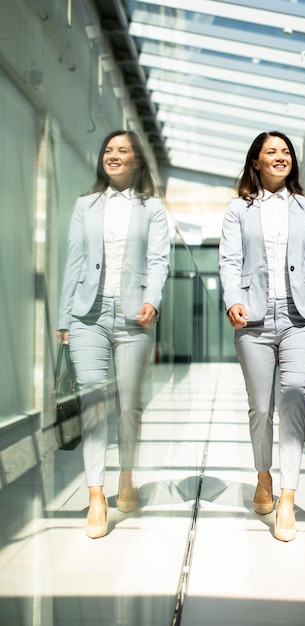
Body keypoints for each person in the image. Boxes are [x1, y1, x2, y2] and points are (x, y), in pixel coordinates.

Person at [219, 131, 305, 542]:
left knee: (293, 398)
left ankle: (286, 497)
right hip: (252, 319)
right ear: (256, 161)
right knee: (259, 406)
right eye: (272, 152)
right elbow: (230, 260)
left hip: (301, 317)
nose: (281, 157)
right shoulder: (238, 210)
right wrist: (232, 298)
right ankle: (263, 476)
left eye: (286, 152)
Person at [56, 130, 170, 539]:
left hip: (134, 315)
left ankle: (126, 474)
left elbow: (159, 260)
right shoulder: (85, 205)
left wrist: (153, 300)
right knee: (92, 400)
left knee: (128, 405)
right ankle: (95, 495)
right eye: (109, 150)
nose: (114, 155)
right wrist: (64, 319)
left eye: (123, 150)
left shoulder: (152, 209)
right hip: (89, 314)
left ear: (138, 161)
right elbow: (74, 260)